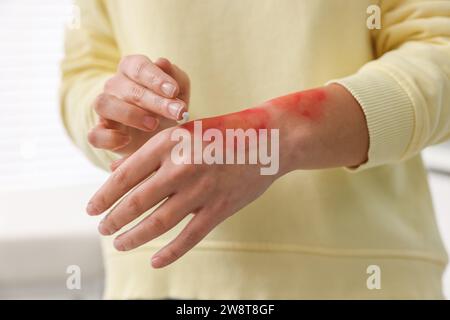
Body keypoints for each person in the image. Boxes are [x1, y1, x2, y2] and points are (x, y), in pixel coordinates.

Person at [60, 0, 450, 299]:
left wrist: (269, 137)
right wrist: (121, 121)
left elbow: (439, 50)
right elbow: (84, 73)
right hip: (160, 278)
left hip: (362, 277)